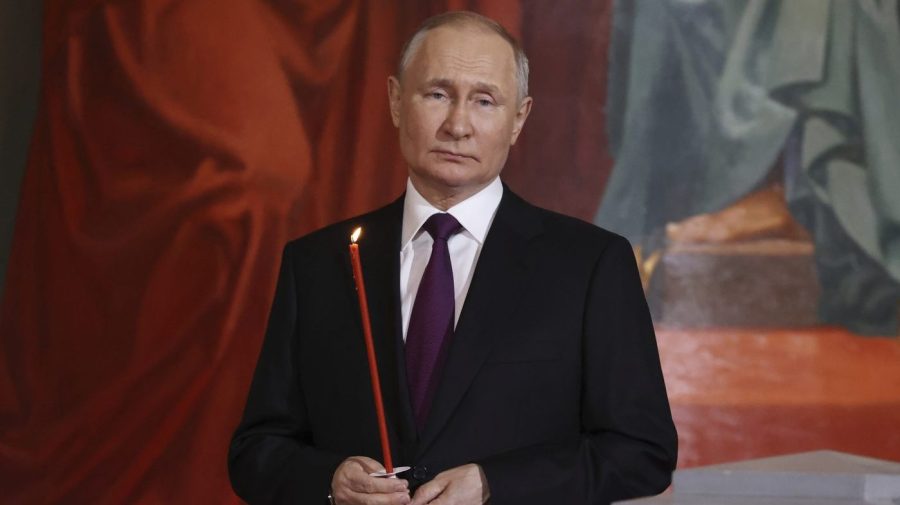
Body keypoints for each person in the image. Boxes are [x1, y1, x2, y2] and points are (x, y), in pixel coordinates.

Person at [229, 11, 677, 505]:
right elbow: (257, 451)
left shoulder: (591, 265)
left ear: (519, 119)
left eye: (484, 101)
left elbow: (643, 452)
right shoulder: (317, 263)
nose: (457, 125)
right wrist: (330, 479)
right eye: (437, 94)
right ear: (397, 101)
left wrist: (493, 484)